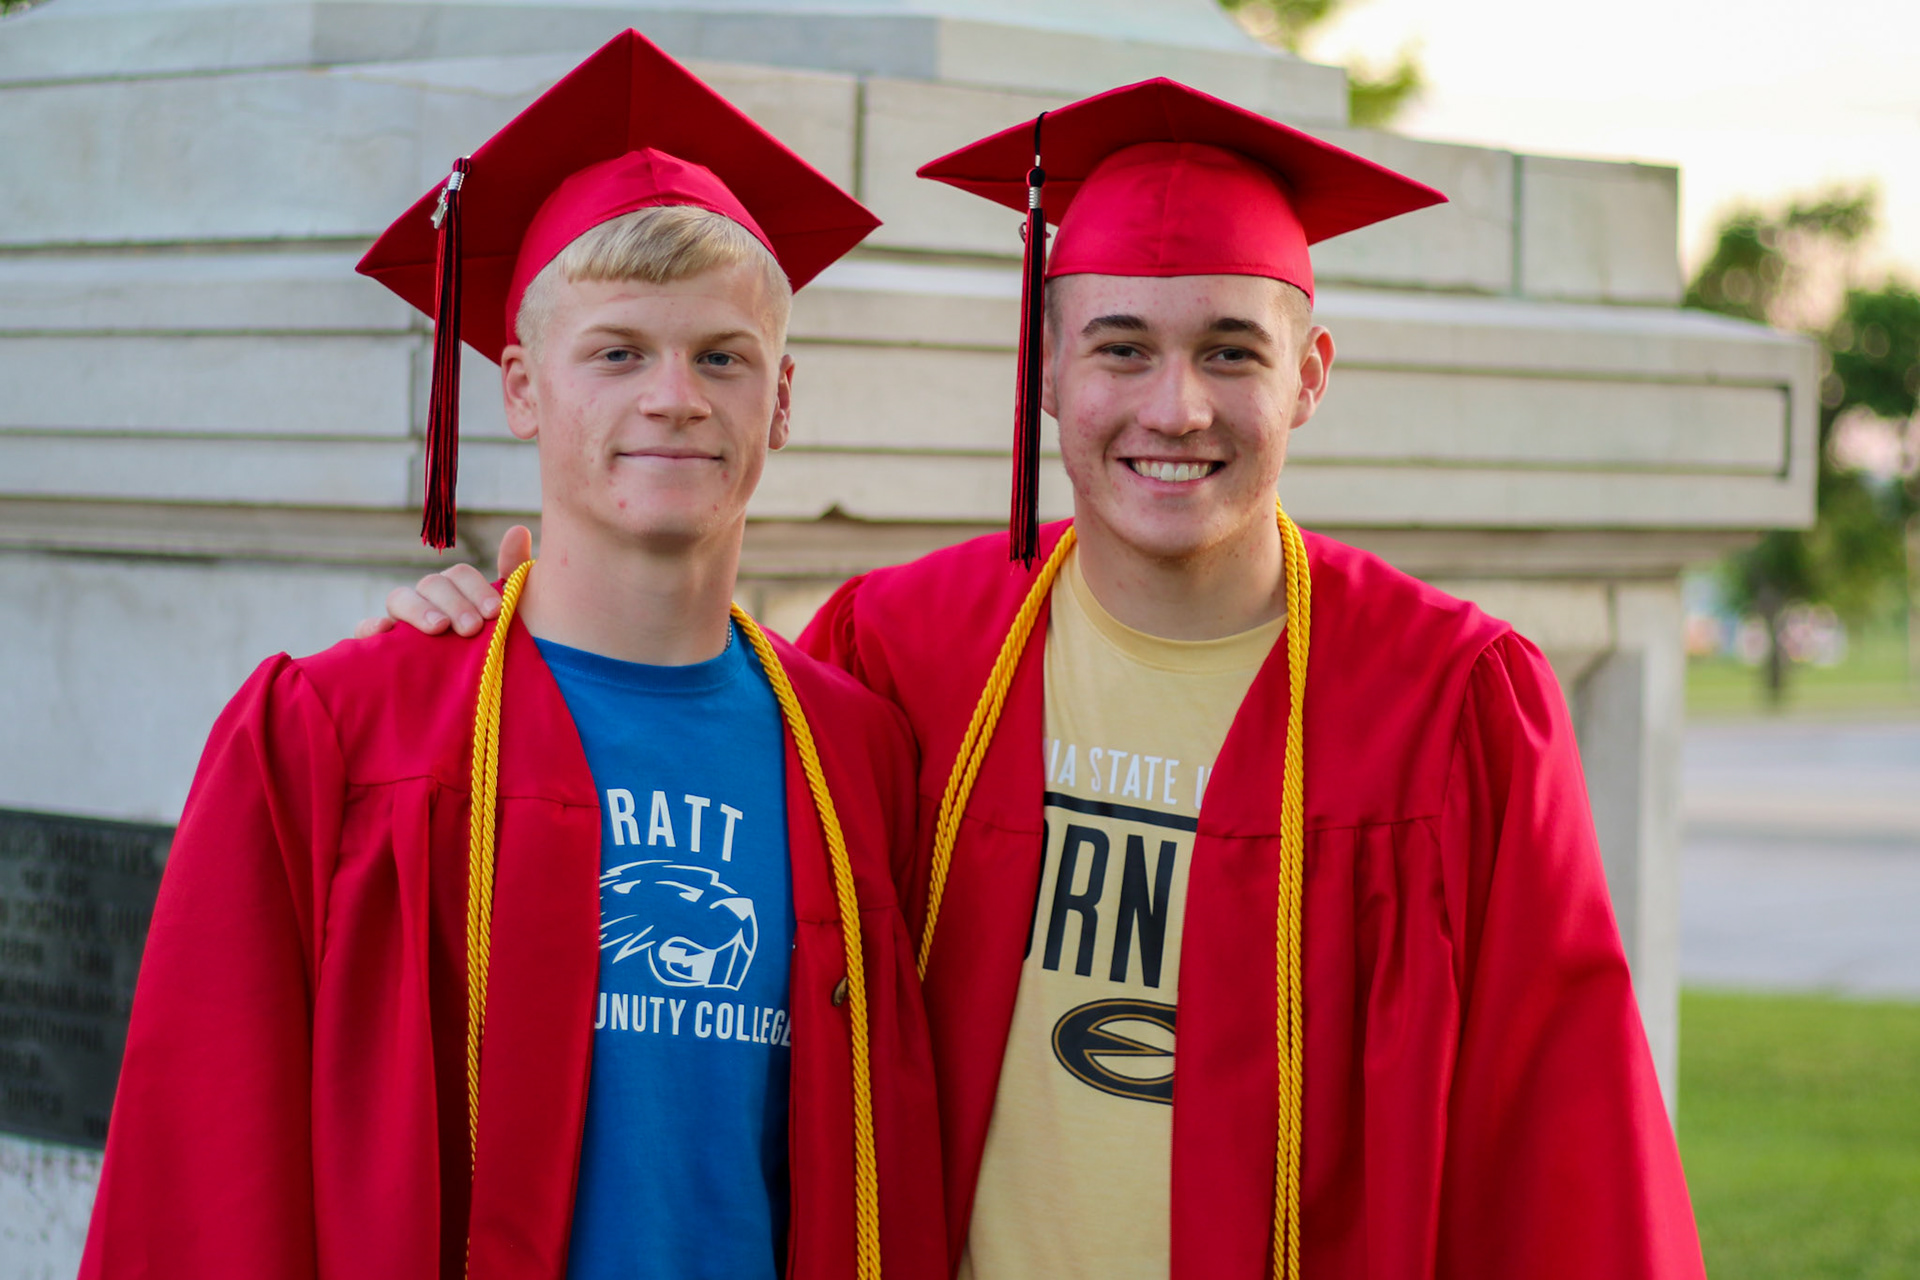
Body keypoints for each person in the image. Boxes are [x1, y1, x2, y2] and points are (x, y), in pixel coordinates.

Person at [380, 78, 1706, 1280]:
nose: (1176, 407)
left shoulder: (1450, 703)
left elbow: (1566, 1137)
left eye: (1231, 350)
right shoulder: (903, 653)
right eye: (1122, 346)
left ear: (1308, 376)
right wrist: (516, 637)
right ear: (1048, 372)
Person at [82, 31, 944, 1280]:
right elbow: (207, 1159)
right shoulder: (342, 731)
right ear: (521, 388)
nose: (675, 396)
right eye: (617, 351)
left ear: (783, 399)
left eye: (722, 356)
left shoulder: (854, 753)